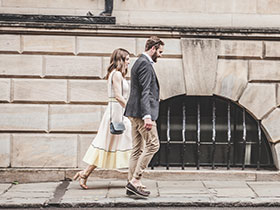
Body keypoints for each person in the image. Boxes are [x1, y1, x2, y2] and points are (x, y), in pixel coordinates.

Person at [73, 48, 132, 189]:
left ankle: (85, 173)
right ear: (121, 60)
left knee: (110, 145)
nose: (129, 62)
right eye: (127, 59)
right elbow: (118, 96)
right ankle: (134, 178)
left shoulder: (117, 74)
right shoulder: (116, 74)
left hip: (118, 112)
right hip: (116, 114)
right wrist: (130, 109)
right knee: (109, 144)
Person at [124, 36, 165, 198]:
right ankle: (135, 180)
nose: (161, 55)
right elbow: (145, 92)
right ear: (153, 48)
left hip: (133, 112)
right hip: (142, 114)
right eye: (160, 51)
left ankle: (131, 183)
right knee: (154, 145)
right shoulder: (145, 65)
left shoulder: (139, 62)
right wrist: (147, 116)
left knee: (137, 149)